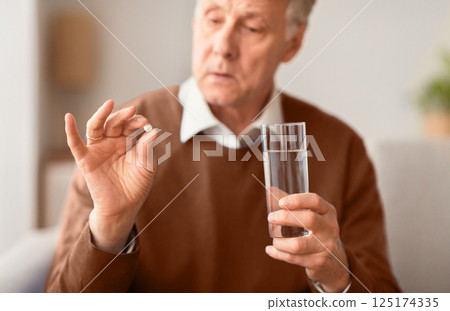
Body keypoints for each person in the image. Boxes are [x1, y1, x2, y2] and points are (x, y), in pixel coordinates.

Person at [45, 0, 401, 293]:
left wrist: (338, 276)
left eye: (252, 27)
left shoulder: (341, 147)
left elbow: (387, 297)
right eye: (214, 18)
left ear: (292, 43)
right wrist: (110, 226)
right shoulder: (120, 139)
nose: (223, 46)